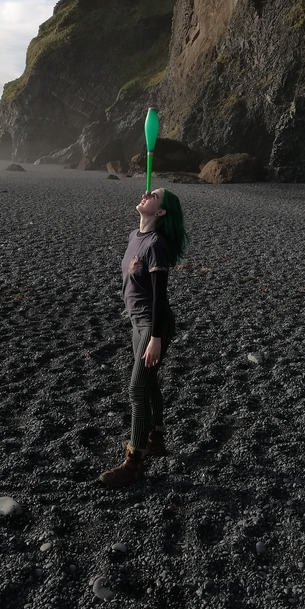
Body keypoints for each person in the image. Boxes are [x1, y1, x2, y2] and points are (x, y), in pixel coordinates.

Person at [99, 187, 188, 488]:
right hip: (139, 324)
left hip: (153, 326)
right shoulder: (134, 237)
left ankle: (133, 462)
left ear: (160, 212)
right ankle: (158, 438)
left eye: (155, 196)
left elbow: (160, 299)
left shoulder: (156, 245)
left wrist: (157, 339)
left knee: (137, 389)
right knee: (149, 385)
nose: (147, 193)